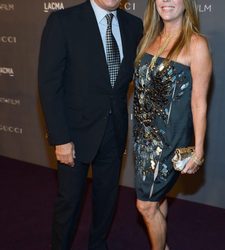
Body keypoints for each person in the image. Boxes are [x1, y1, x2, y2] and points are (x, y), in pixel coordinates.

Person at [38, 0, 143, 249]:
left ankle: (98, 244)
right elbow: (49, 86)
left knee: (107, 199)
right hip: (74, 134)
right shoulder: (62, 22)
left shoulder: (134, 25)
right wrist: (61, 138)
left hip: (115, 131)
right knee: (69, 202)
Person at [133, 0, 212, 249]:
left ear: (186, 3)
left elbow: (199, 102)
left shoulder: (196, 44)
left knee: (144, 205)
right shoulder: (149, 38)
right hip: (143, 137)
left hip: (170, 140)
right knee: (155, 199)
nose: (166, 1)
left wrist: (198, 151)